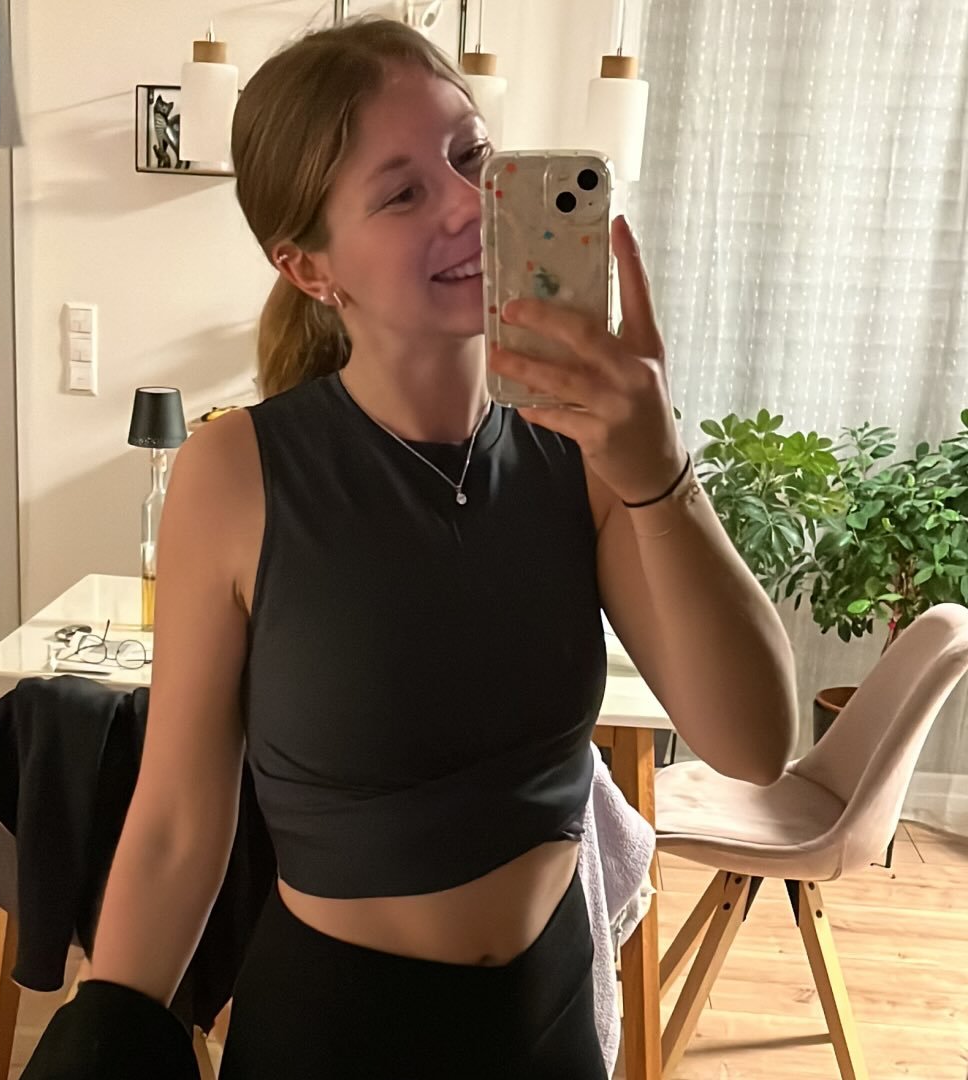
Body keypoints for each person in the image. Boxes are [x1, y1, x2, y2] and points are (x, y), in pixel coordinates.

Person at [84, 16, 797, 1079]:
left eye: (471, 156)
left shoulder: (587, 453)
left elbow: (755, 745)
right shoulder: (235, 475)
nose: (470, 204)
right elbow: (179, 824)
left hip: (546, 1024)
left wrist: (661, 475)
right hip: (332, 1036)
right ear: (309, 267)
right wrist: (102, 1040)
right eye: (403, 192)